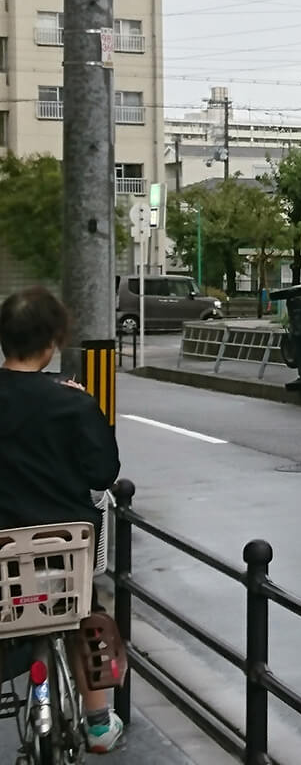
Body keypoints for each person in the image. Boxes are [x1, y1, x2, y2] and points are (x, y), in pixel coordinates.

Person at [0, 286, 124, 753]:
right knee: (83, 612)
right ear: (53, 341)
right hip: (63, 551)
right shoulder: (72, 403)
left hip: (2, 552)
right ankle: (96, 722)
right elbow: (103, 472)